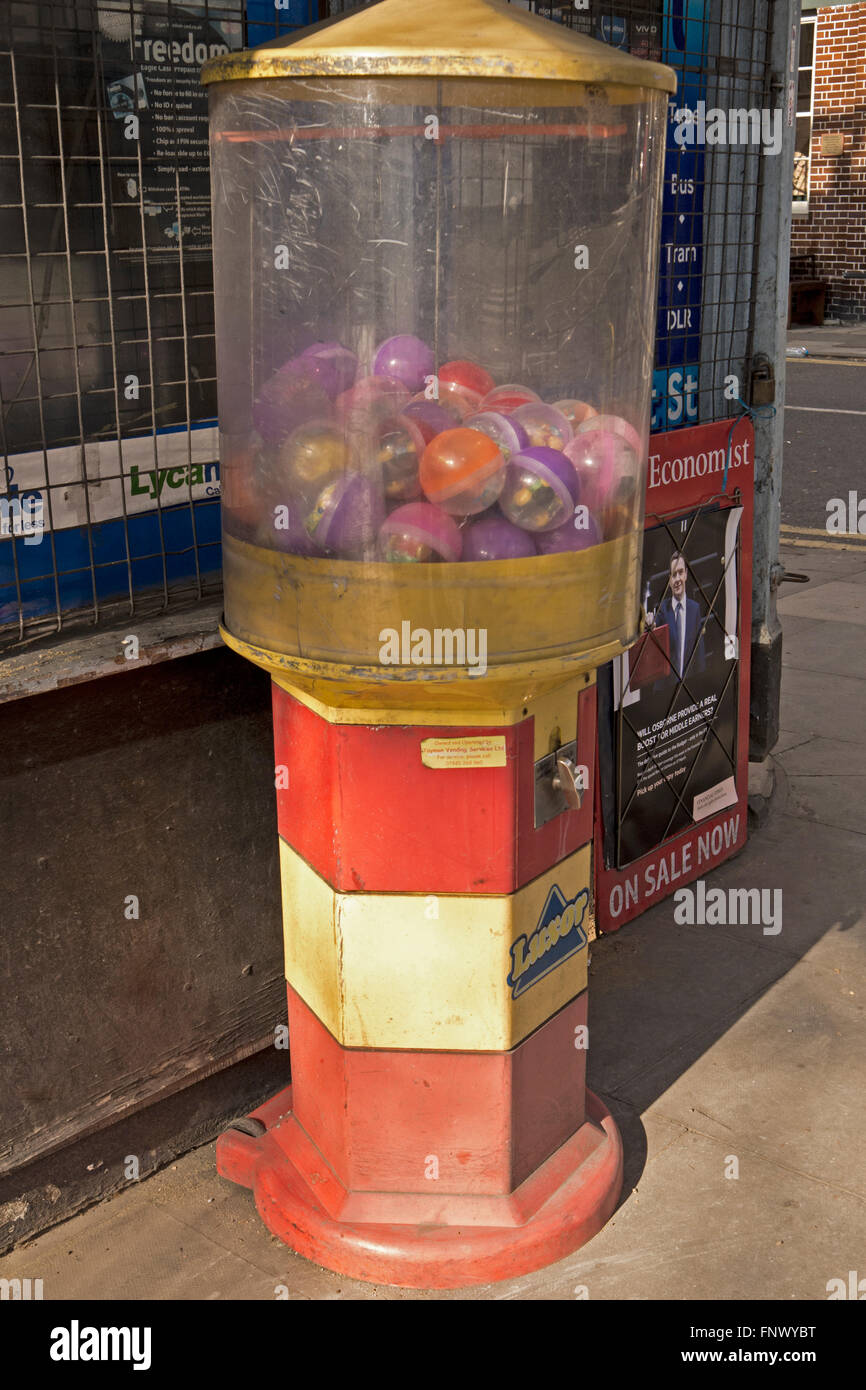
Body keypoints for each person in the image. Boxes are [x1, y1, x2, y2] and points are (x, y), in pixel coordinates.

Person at [652, 551, 706, 681]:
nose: (677, 579)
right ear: (669, 579)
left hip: (688, 685)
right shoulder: (663, 609)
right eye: (673, 575)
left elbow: (699, 655)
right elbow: (653, 624)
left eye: (680, 572)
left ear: (686, 574)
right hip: (665, 689)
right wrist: (649, 623)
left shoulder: (695, 609)